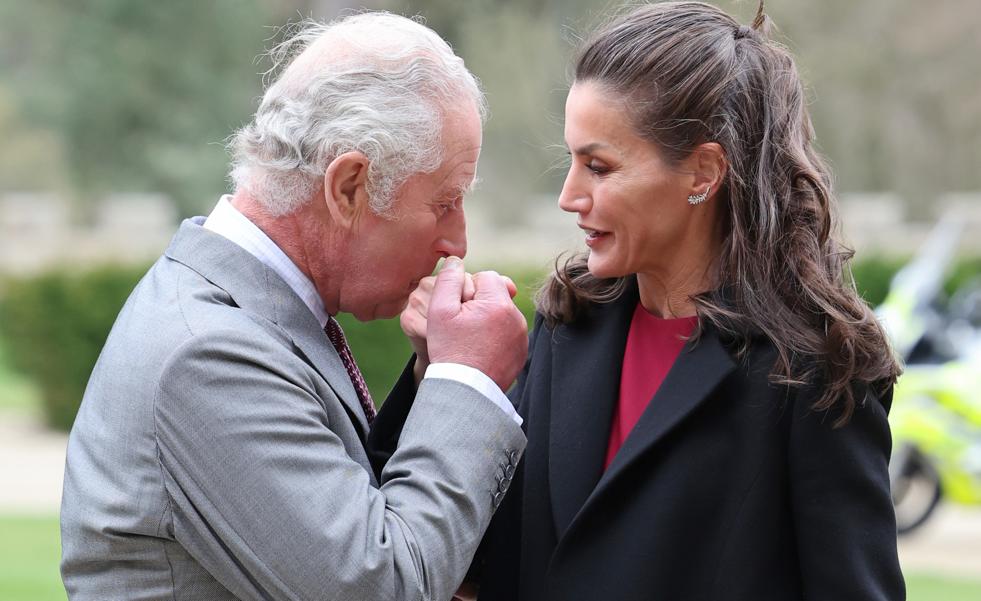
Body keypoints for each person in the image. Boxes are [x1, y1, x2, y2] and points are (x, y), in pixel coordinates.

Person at [390, 1, 906, 599]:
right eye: (571, 161)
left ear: (703, 173)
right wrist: (445, 371)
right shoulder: (566, 326)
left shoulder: (810, 369)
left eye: (599, 167)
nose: (568, 195)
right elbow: (464, 561)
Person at [59, 12, 529, 601]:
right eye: (445, 202)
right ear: (350, 187)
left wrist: (436, 378)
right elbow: (385, 586)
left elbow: (360, 517)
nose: (457, 243)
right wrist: (468, 381)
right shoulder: (207, 353)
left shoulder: (243, 315)